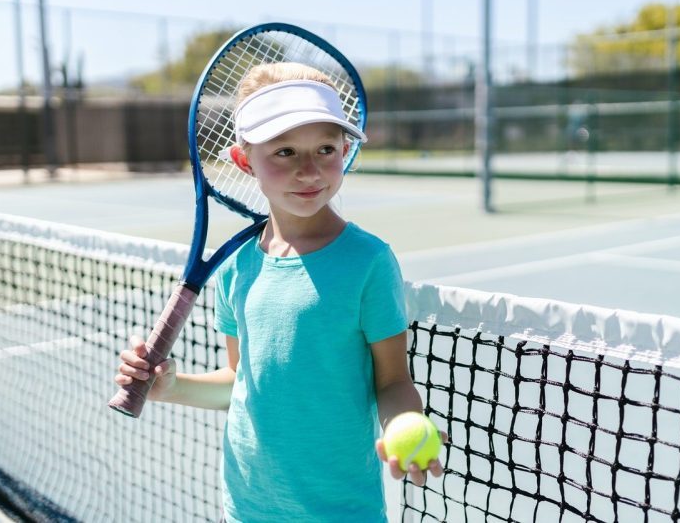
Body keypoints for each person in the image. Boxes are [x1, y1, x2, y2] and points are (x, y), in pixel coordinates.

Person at [115, 62, 445, 522]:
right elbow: (239, 381)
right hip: (248, 505)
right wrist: (171, 387)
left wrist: (403, 424)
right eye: (285, 151)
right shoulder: (237, 269)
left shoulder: (368, 262)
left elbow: (391, 381)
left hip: (341, 511)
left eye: (325, 149)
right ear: (245, 161)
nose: (309, 170)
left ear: (345, 150)